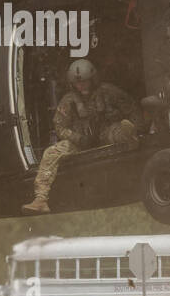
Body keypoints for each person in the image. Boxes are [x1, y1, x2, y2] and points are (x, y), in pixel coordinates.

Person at [22, 59, 141, 214]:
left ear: (93, 79)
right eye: (78, 83)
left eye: (85, 82)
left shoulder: (108, 92)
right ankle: (41, 199)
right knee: (51, 153)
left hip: (106, 132)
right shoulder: (68, 101)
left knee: (120, 132)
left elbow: (131, 108)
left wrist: (138, 127)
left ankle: (130, 139)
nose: (82, 86)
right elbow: (60, 127)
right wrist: (78, 138)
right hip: (80, 141)